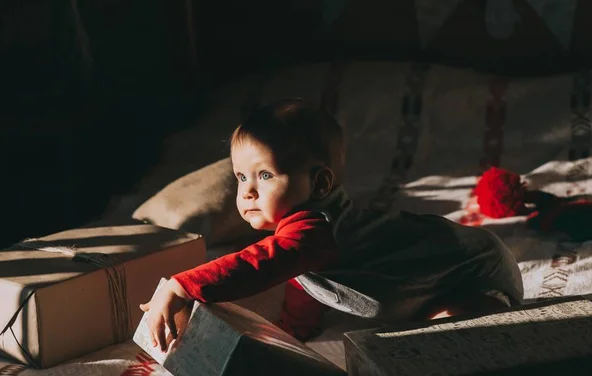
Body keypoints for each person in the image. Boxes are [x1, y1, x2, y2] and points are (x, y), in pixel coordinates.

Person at [140, 99, 524, 351]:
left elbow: (261, 263)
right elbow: (301, 276)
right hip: (440, 282)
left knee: (450, 341)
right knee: (431, 327)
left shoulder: (317, 228)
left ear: (319, 183)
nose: (249, 192)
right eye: (241, 178)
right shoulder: (302, 240)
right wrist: (296, 327)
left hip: (476, 271)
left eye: (265, 176)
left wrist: (183, 284)